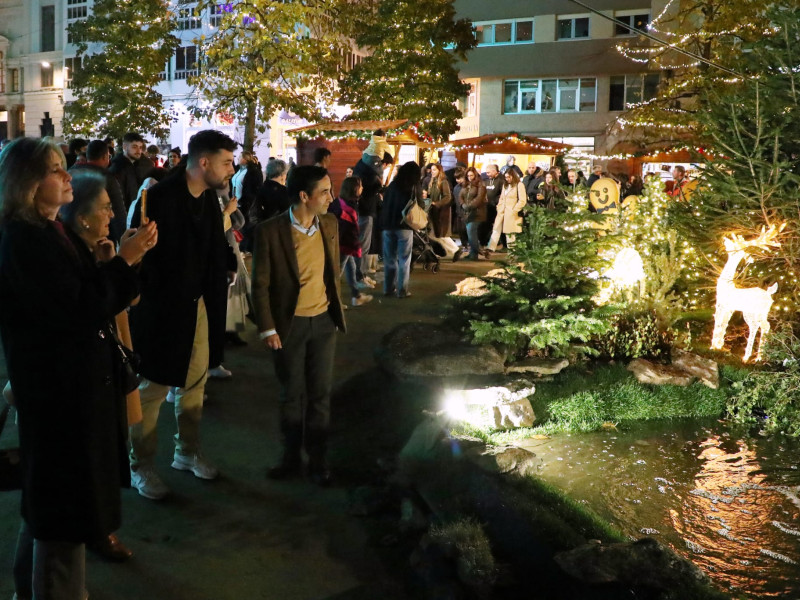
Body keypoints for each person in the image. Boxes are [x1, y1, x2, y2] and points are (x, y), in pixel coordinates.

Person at [0, 138, 157, 600]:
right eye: (55, 170)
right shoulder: (25, 241)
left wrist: (115, 260)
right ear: (28, 185)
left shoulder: (49, 231)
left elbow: (82, 292)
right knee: (63, 512)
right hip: (59, 398)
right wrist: (125, 264)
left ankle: (30, 589)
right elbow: (79, 309)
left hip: (69, 393)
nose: (68, 175)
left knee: (50, 509)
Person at [128, 130, 238, 500]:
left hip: (199, 305)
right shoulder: (157, 199)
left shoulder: (207, 198)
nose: (231, 169)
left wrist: (222, 271)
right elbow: (141, 260)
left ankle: (186, 452)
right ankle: (140, 465)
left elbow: (210, 247)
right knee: (153, 388)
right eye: (226, 162)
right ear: (203, 162)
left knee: (194, 383)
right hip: (161, 311)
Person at [251, 165, 346, 486]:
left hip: (323, 323)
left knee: (320, 395)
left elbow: (332, 272)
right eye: (325, 192)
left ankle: (319, 462)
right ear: (304, 196)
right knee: (291, 395)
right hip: (287, 327)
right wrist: (267, 328)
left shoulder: (329, 225)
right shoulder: (271, 231)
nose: (331, 198)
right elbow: (260, 284)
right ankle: (291, 458)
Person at [378, 161, 423, 298]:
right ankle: (402, 290)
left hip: (388, 225)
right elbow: (419, 204)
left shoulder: (392, 185)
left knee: (389, 258)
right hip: (404, 226)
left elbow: (384, 204)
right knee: (404, 258)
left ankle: (388, 288)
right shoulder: (413, 187)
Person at [69, 139, 127, 243]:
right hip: (100, 235)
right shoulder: (106, 177)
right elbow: (118, 211)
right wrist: (123, 239)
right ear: (105, 156)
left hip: (72, 232)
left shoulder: (71, 172)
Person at [329, 176, 373, 307]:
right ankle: (333, 302)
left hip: (342, 243)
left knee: (351, 267)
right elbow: (349, 231)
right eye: (360, 186)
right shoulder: (348, 208)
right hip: (344, 245)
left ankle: (356, 295)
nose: (362, 188)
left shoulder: (341, 202)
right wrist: (356, 247)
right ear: (354, 189)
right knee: (337, 274)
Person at [108, 132, 155, 211]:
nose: (139, 151)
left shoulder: (143, 165)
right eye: (134, 147)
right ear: (125, 147)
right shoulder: (117, 167)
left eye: (140, 147)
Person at [488, 168, 527, 251]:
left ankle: (512, 255)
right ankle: (490, 248)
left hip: (512, 214)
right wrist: (499, 207)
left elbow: (522, 200)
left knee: (510, 235)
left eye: (509, 177)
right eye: (505, 177)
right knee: (496, 230)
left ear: (513, 176)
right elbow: (501, 198)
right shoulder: (505, 185)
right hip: (502, 212)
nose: (507, 179)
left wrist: (514, 210)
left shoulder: (519, 185)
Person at [459, 167, 488, 260]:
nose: (469, 177)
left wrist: (469, 206)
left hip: (477, 213)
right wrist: (463, 204)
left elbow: (479, 199)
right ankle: (474, 253)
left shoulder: (481, 185)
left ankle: (477, 252)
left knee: (471, 232)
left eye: (471, 175)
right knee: (470, 234)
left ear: (475, 175)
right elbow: (460, 196)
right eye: (468, 176)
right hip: (467, 213)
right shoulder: (465, 185)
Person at [231, 150, 263, 222]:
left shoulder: (253, 171)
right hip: (234, 203)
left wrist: (247, 200)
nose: (238, 159)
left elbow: (256, 188)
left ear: (245, 159)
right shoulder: (238, 170)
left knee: (243, 223)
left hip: (245, 204)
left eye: (239, 157)